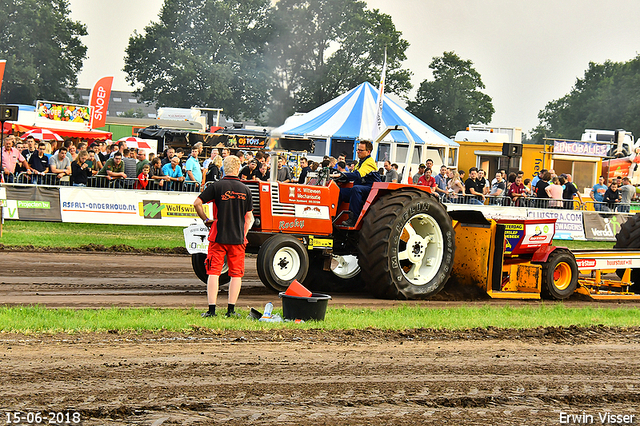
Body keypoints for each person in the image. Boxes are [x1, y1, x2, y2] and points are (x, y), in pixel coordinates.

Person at [193, 155, 254, 318]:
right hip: (237, 239)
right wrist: (243, 233)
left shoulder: (217, 186)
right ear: (239, 168)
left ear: (223, 169)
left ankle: (212, 310)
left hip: (218, 237)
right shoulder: (245, 189)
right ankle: (231, 310)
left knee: (213, 272)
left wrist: (206, 220)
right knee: (236, 274)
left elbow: (197, 203)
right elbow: (249, 218)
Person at [337, 141, 381, 227]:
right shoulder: (360, 162)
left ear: (368, 152)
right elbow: (351, 174)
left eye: (361, 150)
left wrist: (340, 174)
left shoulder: (369, 162)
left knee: (356, 189)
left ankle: (354, 219)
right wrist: (338, 177)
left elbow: (357, 175)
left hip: (372, 189)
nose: (358, 152)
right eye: (357, 150)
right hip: (362, 187)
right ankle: (333, 217)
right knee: (340, 191)